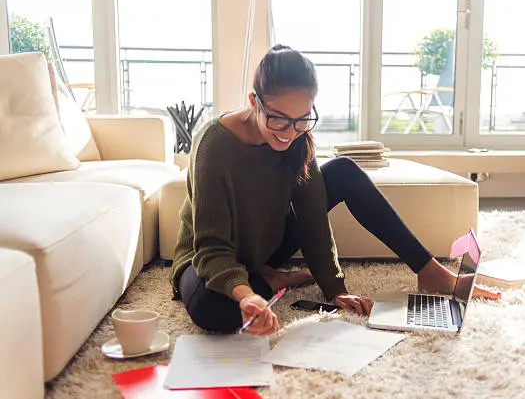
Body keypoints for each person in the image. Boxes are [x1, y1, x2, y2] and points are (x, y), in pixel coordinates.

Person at [170, 44, 499, 337]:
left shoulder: (298, 139)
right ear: (254, 101)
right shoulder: (214, 146)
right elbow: (212, 248)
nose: (290, 133)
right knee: (215, 312)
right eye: (280, 120)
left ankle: (431, 272)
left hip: (264, 246)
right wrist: (248, 295)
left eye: (302, 120)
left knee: (342, 171)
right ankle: (271, 281)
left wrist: (334, 288)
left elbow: (312, 218)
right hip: (208, 257)